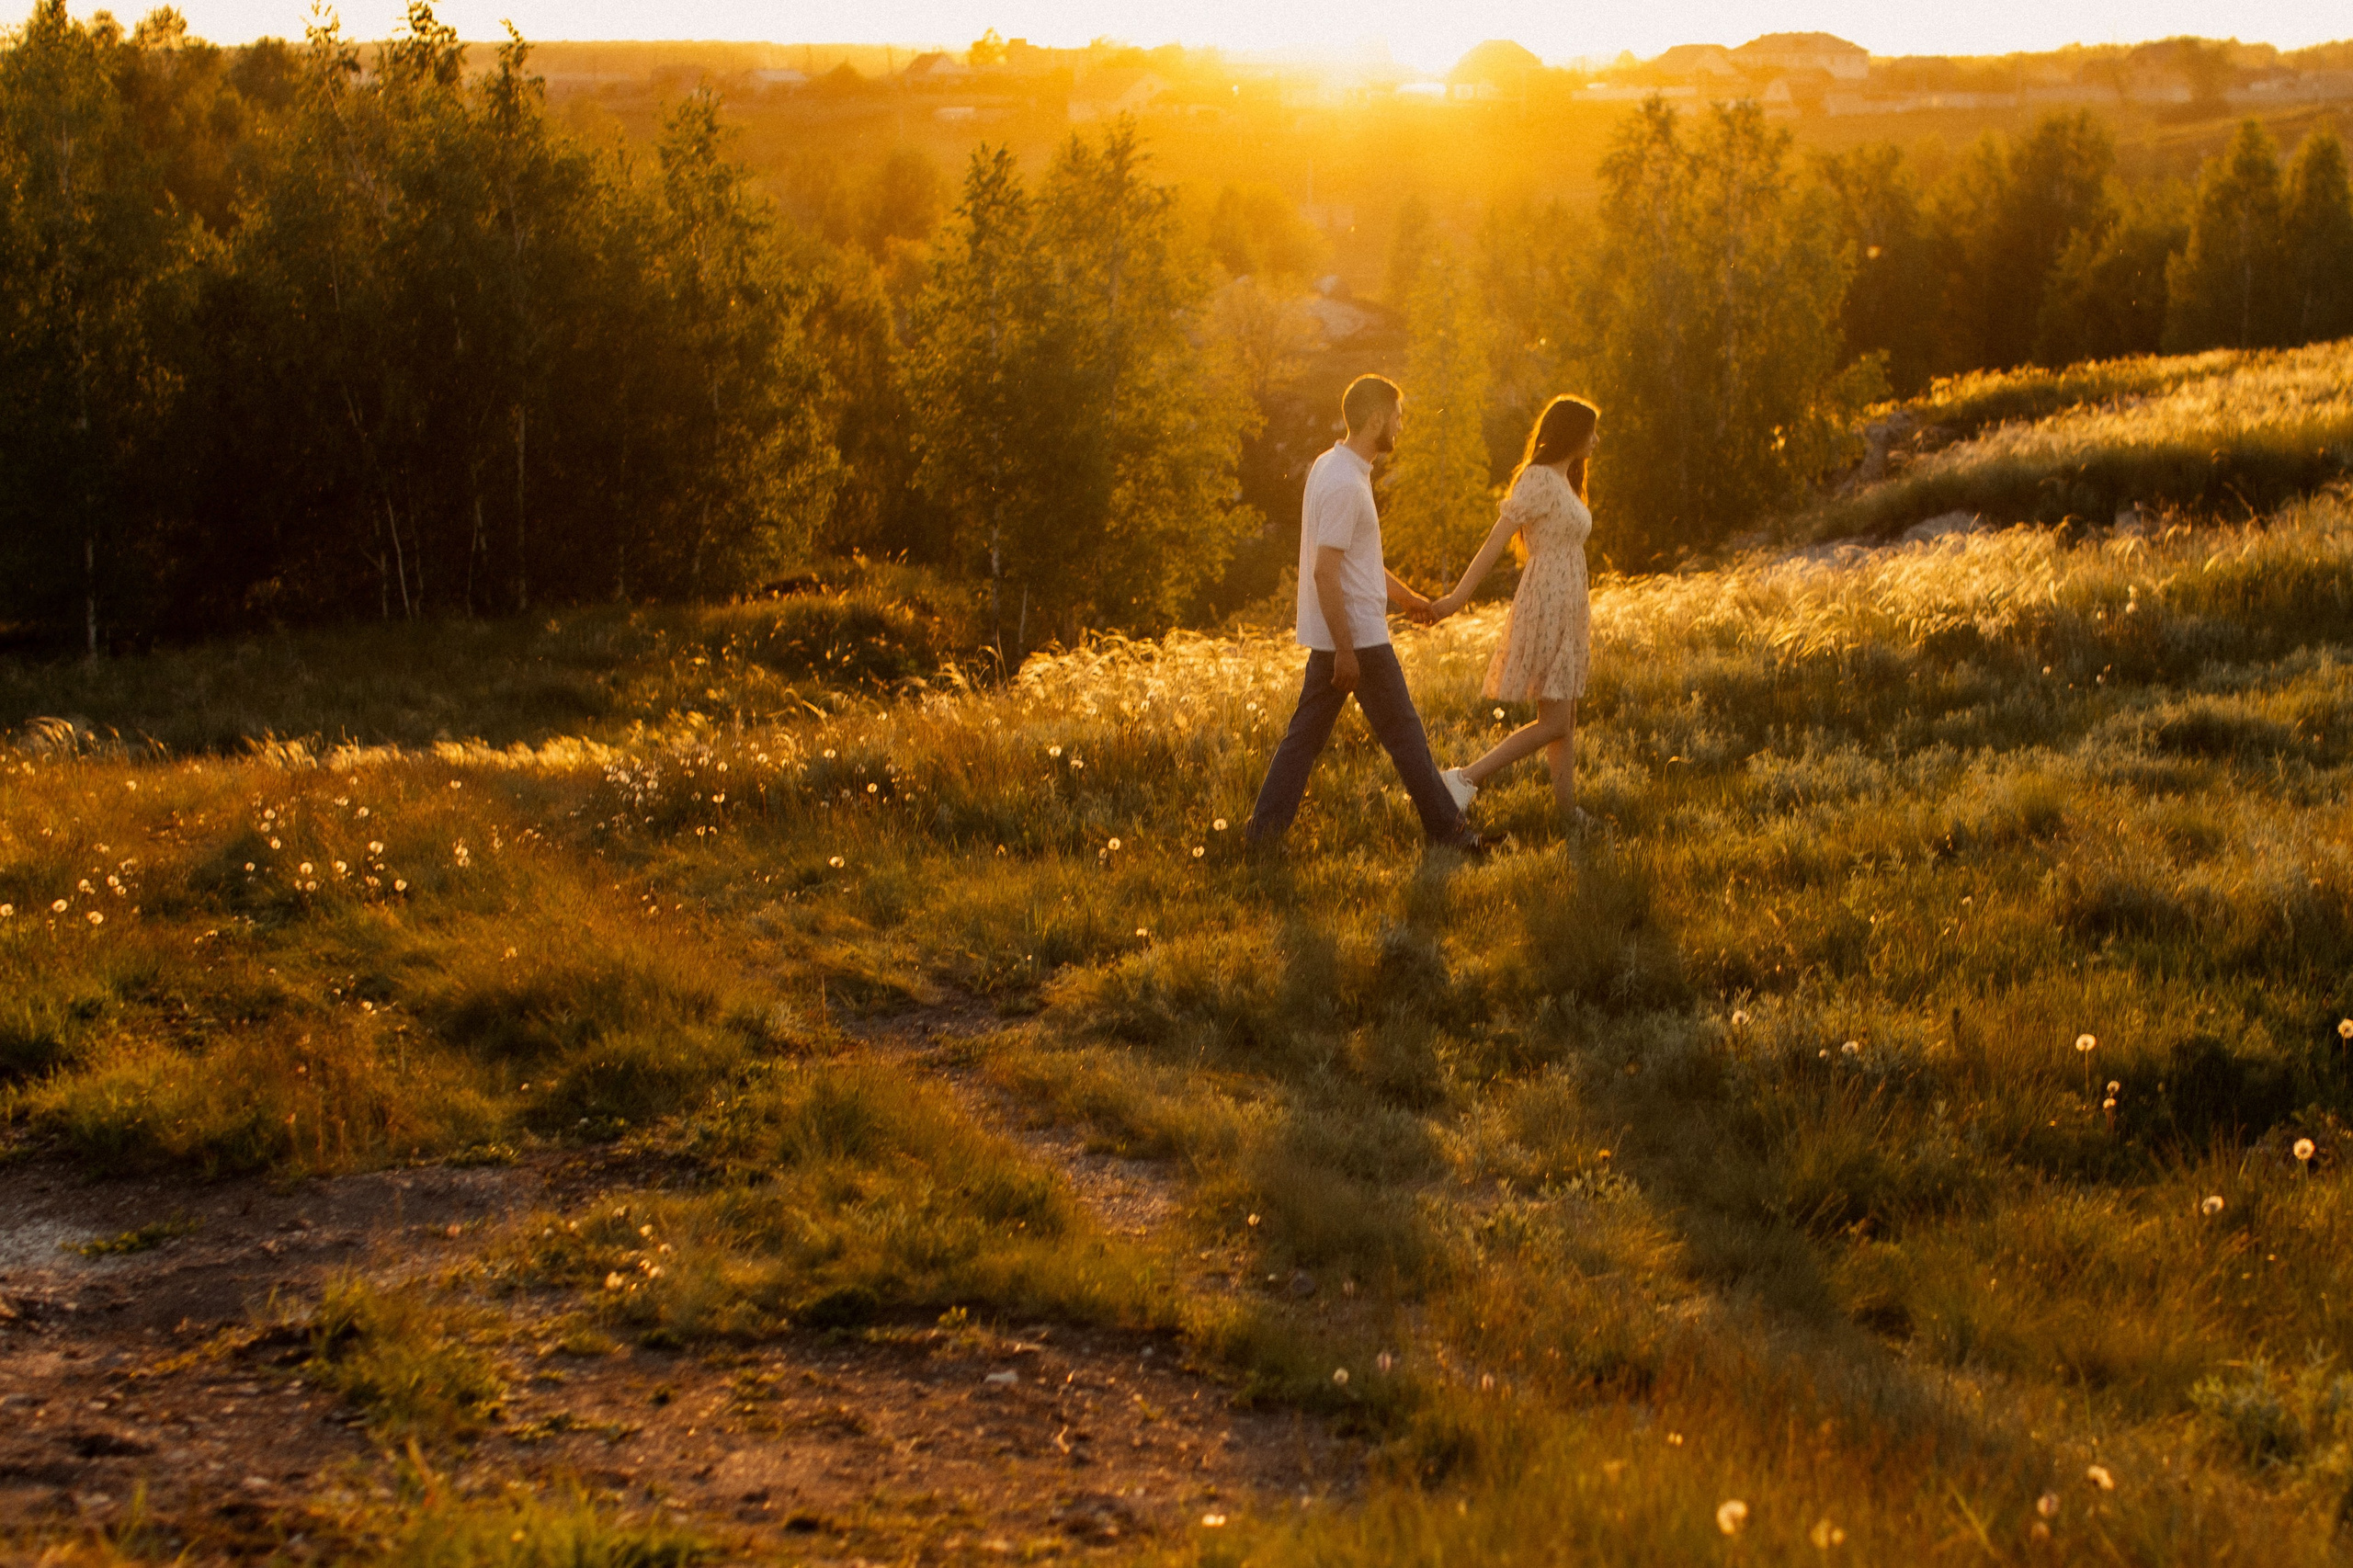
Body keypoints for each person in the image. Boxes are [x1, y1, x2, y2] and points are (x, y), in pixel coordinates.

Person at [1245, 374, 1483, 856]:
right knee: (1406, 737)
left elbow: (1356, 563)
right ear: (1375, 418)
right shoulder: (1344, 485)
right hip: (1358, 640)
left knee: (1304, 741)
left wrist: (1407, 598)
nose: (1401, 424)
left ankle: (1262, 839)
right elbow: (1324, 573)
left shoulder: (1333, 467)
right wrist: (1347, 652)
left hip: (1343, 637)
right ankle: (1452, 835)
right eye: (1397, 415)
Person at [1428, 394, 1598, 831]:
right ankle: (1461, 779)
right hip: (1546, 602)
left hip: (1568, 604)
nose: (1597, 439)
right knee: (1555, 721)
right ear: (1572, 434)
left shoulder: (1565, 482)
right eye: (1591, 431)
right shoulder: (1539, 479)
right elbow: (1495, 541)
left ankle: (1568, 813)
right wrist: (1457, 598)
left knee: (1564, 719)